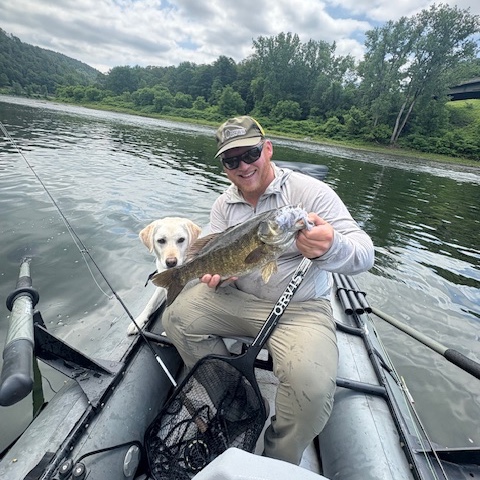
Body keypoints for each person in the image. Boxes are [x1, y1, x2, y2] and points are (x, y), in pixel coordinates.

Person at [162, 115, 375, 465]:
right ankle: (235, 404)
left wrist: (331, 246)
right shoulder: (223, 204)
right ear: (224, 166)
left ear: (268, 149)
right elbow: (212, 250)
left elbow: (365, 253)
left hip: (299, 308)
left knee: (311, 387)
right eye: (232, 160)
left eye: (251, 154)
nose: (243, 166)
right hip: (237, 299)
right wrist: (216, 276)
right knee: (176, 319)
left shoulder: (310, 193)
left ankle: (276, 460)